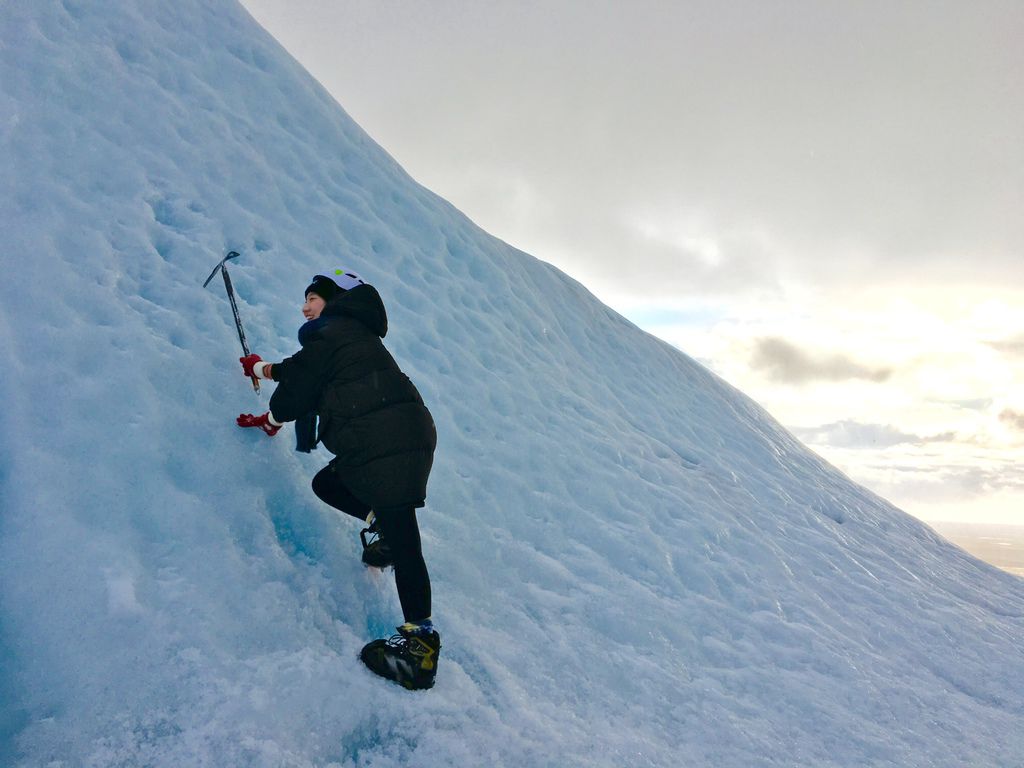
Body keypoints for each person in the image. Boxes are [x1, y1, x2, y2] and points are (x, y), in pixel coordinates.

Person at [236, 271, 440, 690]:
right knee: (328, 485)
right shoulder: (348, 336)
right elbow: (302, 372)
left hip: (383, 440)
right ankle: (380, 531)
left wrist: (272, 416)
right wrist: (263, 369)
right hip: (401, 434)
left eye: (311, 298)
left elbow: (299, 388)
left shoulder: (332, 332)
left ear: (334, 301)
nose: (304, 307)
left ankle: (420, 649)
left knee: (405, 539)